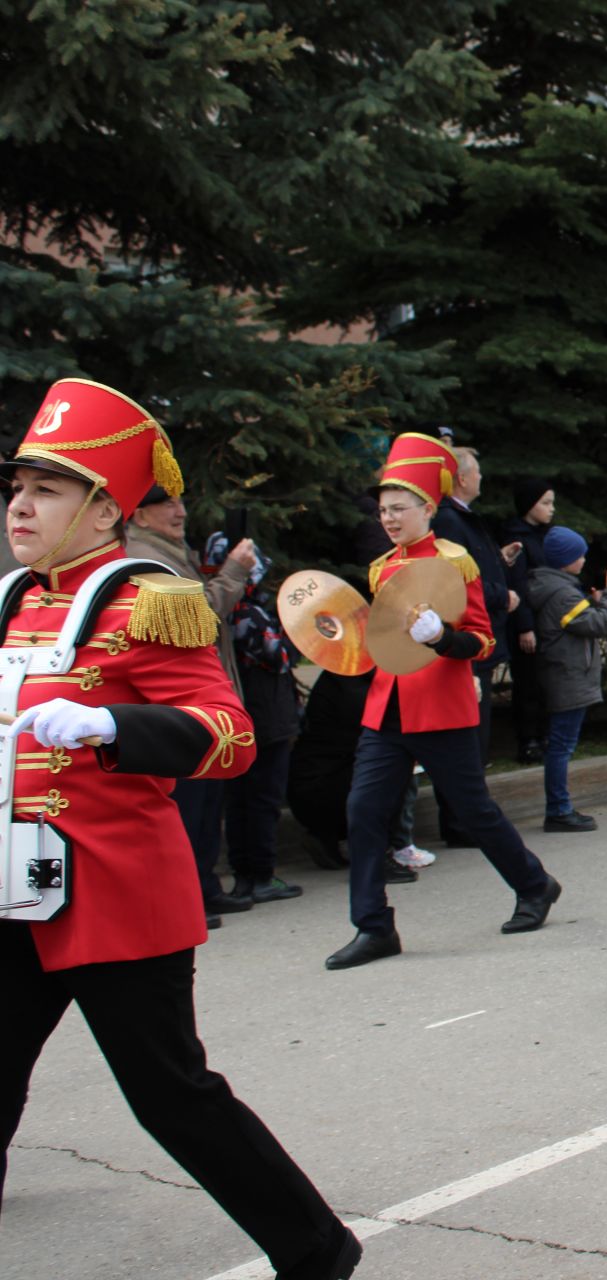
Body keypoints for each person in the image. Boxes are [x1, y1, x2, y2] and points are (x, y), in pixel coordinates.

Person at [0, 379, 362, 1279]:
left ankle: (318, 1250)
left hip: (116, 899)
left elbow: (231, 738)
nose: (19, 504)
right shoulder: (13, 600)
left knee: (172, 1095)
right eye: (17, 486)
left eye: (45, 488)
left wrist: (118, 728)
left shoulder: (150, 600)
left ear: (101, 509)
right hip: (13, 886)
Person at [326, 433, 563, 970]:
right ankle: (373, 925)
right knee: (363, 810)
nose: (388, 518)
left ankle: (534, 884)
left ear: (427, 508)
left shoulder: (457, 560)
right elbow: (381, 641)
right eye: (383, 510)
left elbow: (481, 638)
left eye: (399, 509)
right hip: (387, 708)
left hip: (442, 702)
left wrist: (441, 638)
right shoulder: (381, 566)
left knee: (472, 810)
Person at [125, 483, 257, 923]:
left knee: (205, 804)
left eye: (179, 502)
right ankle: (189, 898)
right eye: (166, 504)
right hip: (180, 702)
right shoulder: (145, 557)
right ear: (139, 515)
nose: (179, 511)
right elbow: (197, 615)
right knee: (189, 805)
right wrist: (234, 572)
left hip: (199, 698)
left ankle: (204, 888)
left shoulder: (166, 549)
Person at [206, 529, 305, 903]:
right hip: (264, 718)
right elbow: (277, 654)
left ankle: (249, 874)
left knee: (245, 801)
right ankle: (258, 875)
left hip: (257, 716)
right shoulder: (245, 611)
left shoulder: (239, 607)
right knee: (260, 800)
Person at [526, 525, 607, 833]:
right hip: (567, 678)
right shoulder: (563, 593)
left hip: (562, 675)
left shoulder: (555, 587)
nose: (583, 560)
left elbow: (580, 620)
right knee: (562, 746)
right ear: (566, 559)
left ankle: (559, 807)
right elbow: (599, 624)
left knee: (560, 744)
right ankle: (558, 810)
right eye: (579, 555)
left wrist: (595, 602)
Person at [431, 445, 516, 775]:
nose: (482, 478)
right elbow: (459, 582)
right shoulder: (450, 520)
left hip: (482, 631)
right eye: (477, 472)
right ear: (463, 478)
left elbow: (475, 566)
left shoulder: (460, 516)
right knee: (471, 731)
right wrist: (501, 595)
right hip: (470, 634)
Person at [503, 477, 555, 764]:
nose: (550, 509)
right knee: (527, 682)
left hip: (545, 620)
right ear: (529, 505)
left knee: (544, 681)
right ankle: (528, 740)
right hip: (527, 621)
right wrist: (524, 626)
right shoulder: (516, 538)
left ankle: (544, 735)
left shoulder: (545, 535)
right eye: (545, 503)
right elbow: (518, 584)